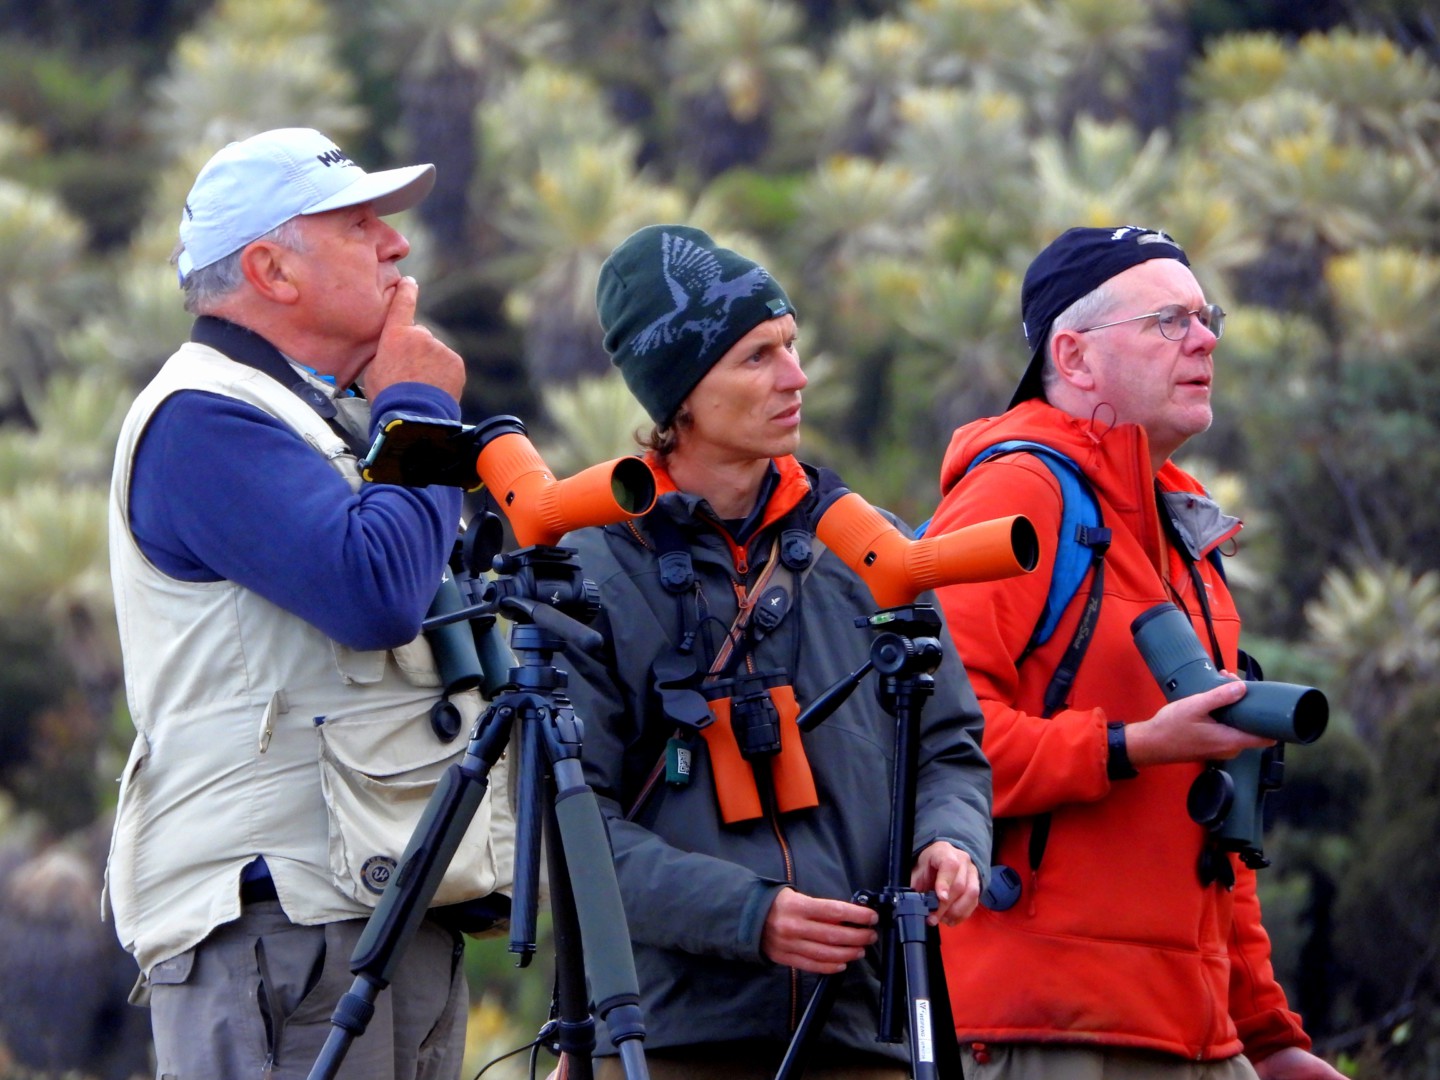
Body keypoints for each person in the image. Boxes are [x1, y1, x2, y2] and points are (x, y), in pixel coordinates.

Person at [105, 127, 513, 1080]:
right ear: (270, 270)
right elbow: (374, 592)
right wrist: (416, 402)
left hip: (362, 912)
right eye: (361, 223)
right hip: (279, 928)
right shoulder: (200, 417)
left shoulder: (297, 416)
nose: (397, 245)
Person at [554, 224, 993, 1080]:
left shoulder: (868, 550)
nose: (795, 377)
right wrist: (750, 916)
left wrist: (951, 842)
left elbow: (949, 749)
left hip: (866, 1035)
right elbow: (570, 828)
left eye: (791, 345)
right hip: (667, 1043)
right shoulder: (588, 572)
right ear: (678, 396)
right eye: (757, 356)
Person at [927, 226, 1344, 1079]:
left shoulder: (1184, 533)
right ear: (1074, 357)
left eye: (1206, 316)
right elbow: (934, 753)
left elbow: (1220, 824)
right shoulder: (1015, 495)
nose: (1206, 339)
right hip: (1044, 1035)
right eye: (1168, 320)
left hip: (1197, 1034)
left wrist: (1267, 1034)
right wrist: (1132, 746)